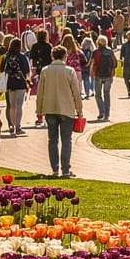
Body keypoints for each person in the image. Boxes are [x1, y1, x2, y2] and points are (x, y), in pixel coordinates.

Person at [36, 45, 84, 178]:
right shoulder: (69, 71)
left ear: (52, 56)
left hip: (50, 108)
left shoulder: (45, 71)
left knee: (52, 139)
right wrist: (79, 110)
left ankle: (55, 169)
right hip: (66, 109)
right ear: (65, 56)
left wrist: (39, 109)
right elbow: (76, 92)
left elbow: (40, 92)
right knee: (66, 139)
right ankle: (66, 170)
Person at [0, 37, 31, 135]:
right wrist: (28, 82)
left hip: (9, 83)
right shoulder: (22, 57)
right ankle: (18, 126)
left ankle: (11, 126)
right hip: (20, 83)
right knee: (19, 105)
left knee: (11, 106)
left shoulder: (6, 56)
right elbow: (26, 71)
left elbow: (2, 69)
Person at [91, 37, 116, 122]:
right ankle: (107, 115)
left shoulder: (95, 52)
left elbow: (92, 63)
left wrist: (91, 72)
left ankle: (101, 112)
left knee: (98, 95)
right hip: (109, 75)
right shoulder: (110, 51)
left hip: (98, 75)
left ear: (97, 42)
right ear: (105, 42)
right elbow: (115, 63)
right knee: (107, 94)